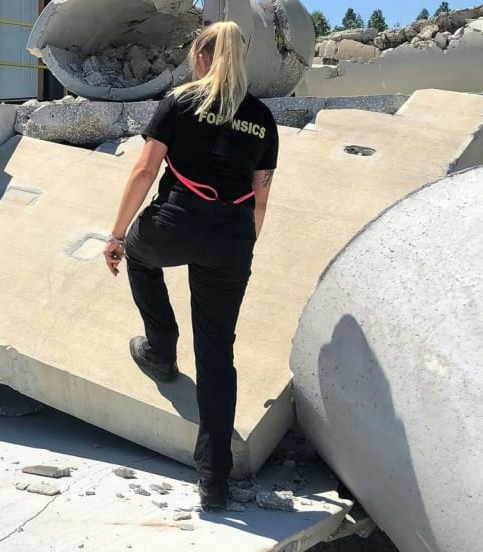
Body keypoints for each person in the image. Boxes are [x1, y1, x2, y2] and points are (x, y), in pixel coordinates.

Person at [103, 21, 279, 511]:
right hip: (232, 237)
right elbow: (261, 198)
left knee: (138, 256)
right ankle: (214, 481)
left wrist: (116, 235)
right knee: (217, 354)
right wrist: (241, 248)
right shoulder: (262, 118)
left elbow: (145, 169)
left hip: (175, 224)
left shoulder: (180, 101)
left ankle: (160, 349)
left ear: (201, 59)